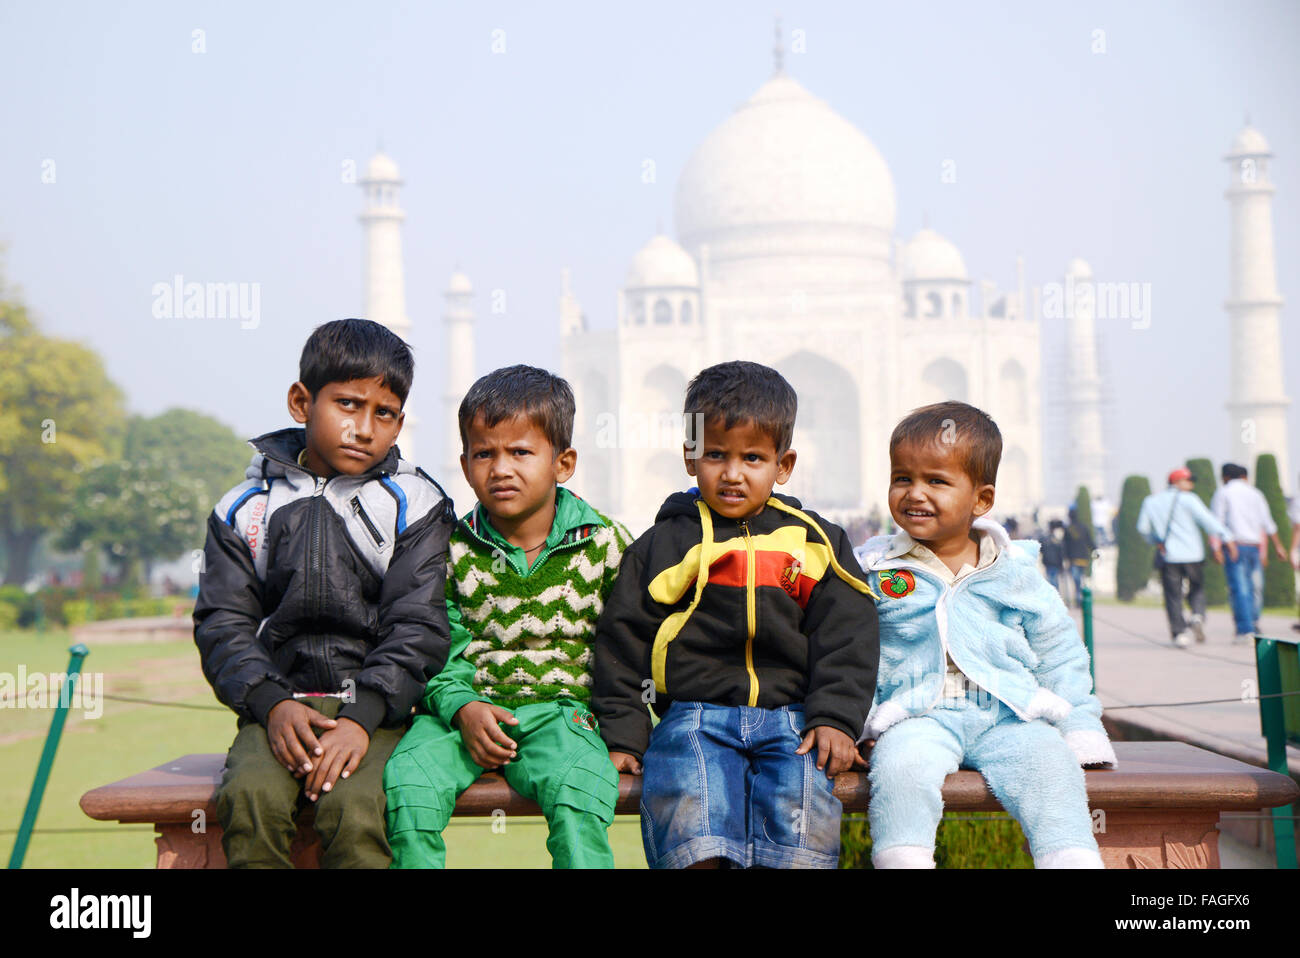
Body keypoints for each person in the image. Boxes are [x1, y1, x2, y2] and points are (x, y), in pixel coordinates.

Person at [592, 361, 879, 869]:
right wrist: (624, 734)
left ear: (782, 465)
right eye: (716, 455)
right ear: (689, 456)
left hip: (794, 722)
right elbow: (623, 644)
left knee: (799, 834)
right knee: (690, 821)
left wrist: (834, 717)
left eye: (752, 457)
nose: (732, 473)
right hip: (694, 716)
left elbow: (848, 634)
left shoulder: (815, 543)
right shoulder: (666, 544)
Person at [193, 318, 455, 868]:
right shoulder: (245, 507)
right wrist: (271, 703)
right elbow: (223, 623)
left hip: (381, 711)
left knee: (357, 810)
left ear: (399, 422)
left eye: (382, 414)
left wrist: (363, 716)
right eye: (347, 405)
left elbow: (418, 626)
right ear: (300, 402)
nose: (363, 428)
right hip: (278, 706)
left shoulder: (414, 502)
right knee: (250, 800)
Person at [383, 366, 632, 868]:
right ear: (465, 462)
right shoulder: (448, 548)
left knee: (581, 790)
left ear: (563, 463)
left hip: (561, 714)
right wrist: (463, 708)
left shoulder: (605, 545)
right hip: (463, 717)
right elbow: (433, 646)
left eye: (520, 452)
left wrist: (625, 733)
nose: (501, 468)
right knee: (408, 783)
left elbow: (629, 649)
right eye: (485, 453)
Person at [857, 401, 1115, 869]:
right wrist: (864, 721)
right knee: (900, 771)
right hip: (919, 713)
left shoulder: (1011, 570)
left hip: (1007, 712)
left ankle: (1071, 859)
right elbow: (854, 652)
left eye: (936, 481)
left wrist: (1078, 724)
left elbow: (1058, 651)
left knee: (1050, 767)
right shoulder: (874, 568)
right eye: (902, 478)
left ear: (981, 499)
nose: (915, 494)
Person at [1137, 467, 1234, 647]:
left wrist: (1156, 540)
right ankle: (1197, 615)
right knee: (1196, 588)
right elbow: (1208, 521)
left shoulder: (1151, 501)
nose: (1191, 484)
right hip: (1192, 555)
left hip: (1168, 556)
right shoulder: (1189, 500)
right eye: (1188, 480)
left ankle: (1179, 633)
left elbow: (1142, 529)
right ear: (1176, 482)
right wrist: (1227, 537)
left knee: (1173, 595)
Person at [1212, 463, 1288, 643]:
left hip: (1234, 546)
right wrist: (1278, 546)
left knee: (1240, 589)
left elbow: (1216, 522)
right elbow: (1268, 523)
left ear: (1226, 477)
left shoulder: (1223, 492)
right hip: (1254, 546)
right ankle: (1252, 622)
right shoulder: (1256, 493)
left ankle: (1245, 629)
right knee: (1255, 588)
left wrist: (1217, 547)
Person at [1063, 506, 1096, 607]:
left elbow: (1065, 545)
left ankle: (1079, 598)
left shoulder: (1068, 529)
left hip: (1073, 559)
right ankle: (1081, 598)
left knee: (1076, 581)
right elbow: (1089, 541)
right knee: (1081, 579)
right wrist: (1095, 549)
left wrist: (1065, 558)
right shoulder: (1084, 527)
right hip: (1083, 558)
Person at [1039, 520, 1067, 596]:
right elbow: (1060, 553)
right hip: (1055, 563)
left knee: (1051, 581)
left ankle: (1054, 597)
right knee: (1054, 581)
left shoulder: (1045, 538)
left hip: (1048, 562)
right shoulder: (1057, 538)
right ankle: (1055, 597)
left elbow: (1041, 549)